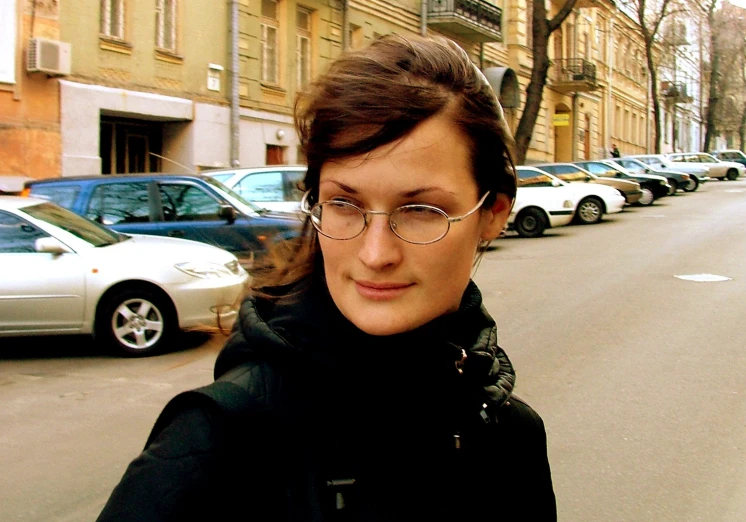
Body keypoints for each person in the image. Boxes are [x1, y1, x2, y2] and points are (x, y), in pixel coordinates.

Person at [96, 34, 557, 521]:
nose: (377, 254)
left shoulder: (509, 434)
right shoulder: (219, 441)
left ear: (494, 214)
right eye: (344, 203)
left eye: (421, 210)